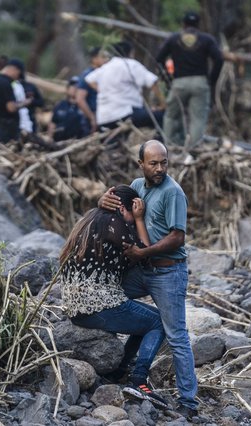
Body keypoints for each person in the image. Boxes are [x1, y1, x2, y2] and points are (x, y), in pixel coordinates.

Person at [98, 140, 199, 420]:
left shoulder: (173, 192)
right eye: (153, 163)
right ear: (140, 164)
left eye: (164, 162)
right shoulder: (137, 186)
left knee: (176, 335)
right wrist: (102, 200)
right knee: (108, 298)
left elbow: (177, 238)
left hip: (168, 272)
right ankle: (122, 366)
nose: (159, 168)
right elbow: (118, 211)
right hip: (141, 270)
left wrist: (143, 251)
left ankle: (189, 401)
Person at [59, 184, 169, 409]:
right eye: (132, 213)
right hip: (97, 306)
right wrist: (138, 220)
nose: (132, 221)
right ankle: (139, 381)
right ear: (125, 209)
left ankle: (119, 370)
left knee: (147, 320)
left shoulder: (90, 220)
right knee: (159, 321)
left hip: (77, 307)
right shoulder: (114, 222)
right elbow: (145, 254)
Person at [156, 11, 224, 147]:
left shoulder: (173, 38)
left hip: (179, 82)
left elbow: (159, 58)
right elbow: (219, 59)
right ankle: (194, 151)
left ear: (183, 24)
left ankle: (169, 147)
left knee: (171, 115)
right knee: (198, 119)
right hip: (200, 82)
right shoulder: (206, 39)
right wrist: (212, 79)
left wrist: (167, 77)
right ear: (198, 24)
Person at [85, 41, 166, 131]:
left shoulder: (106, 67)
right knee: (160, 116)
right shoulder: (131, 64)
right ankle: (159, 143)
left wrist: (105, 91)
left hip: (104, 118)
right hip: (125, 114)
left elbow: (89, 79)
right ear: (131, 53)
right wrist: (163, 104)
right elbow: (152, 81)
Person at [0, 58, 32, 143]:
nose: (17, 78)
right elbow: (10, 107)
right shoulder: (5, 83)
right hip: (5, 129)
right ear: (14, 70)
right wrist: (25, 103)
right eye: (18, 75)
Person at [76, 47, 109, 134]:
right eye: (103, 57)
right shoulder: (87, 75)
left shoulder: (106, 73)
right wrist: (91, 117)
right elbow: (80, 99)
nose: (106, 59)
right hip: (92, 116)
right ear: (94, 59)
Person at [48, 77, 86, 141]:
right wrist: (50, 137)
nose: (75, 88)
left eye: (77, 86)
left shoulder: (84, 106)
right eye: (72, 86)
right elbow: (53, 122)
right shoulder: (60, 105)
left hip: (78, 141)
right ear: (67, 89)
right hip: (59, 141)